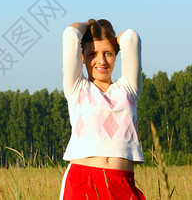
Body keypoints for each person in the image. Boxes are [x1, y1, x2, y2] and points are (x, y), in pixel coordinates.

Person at [59, 19, 145, 200]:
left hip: (122, 183)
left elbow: (131, 38)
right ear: (82, 57)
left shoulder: (129, 88)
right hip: (82, 182)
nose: (101, 61)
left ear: (116, 54)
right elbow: (70, 35)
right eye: (92, 54)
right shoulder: (76, 88)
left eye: (108, 53)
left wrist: (108, 34)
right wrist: (89, 24)